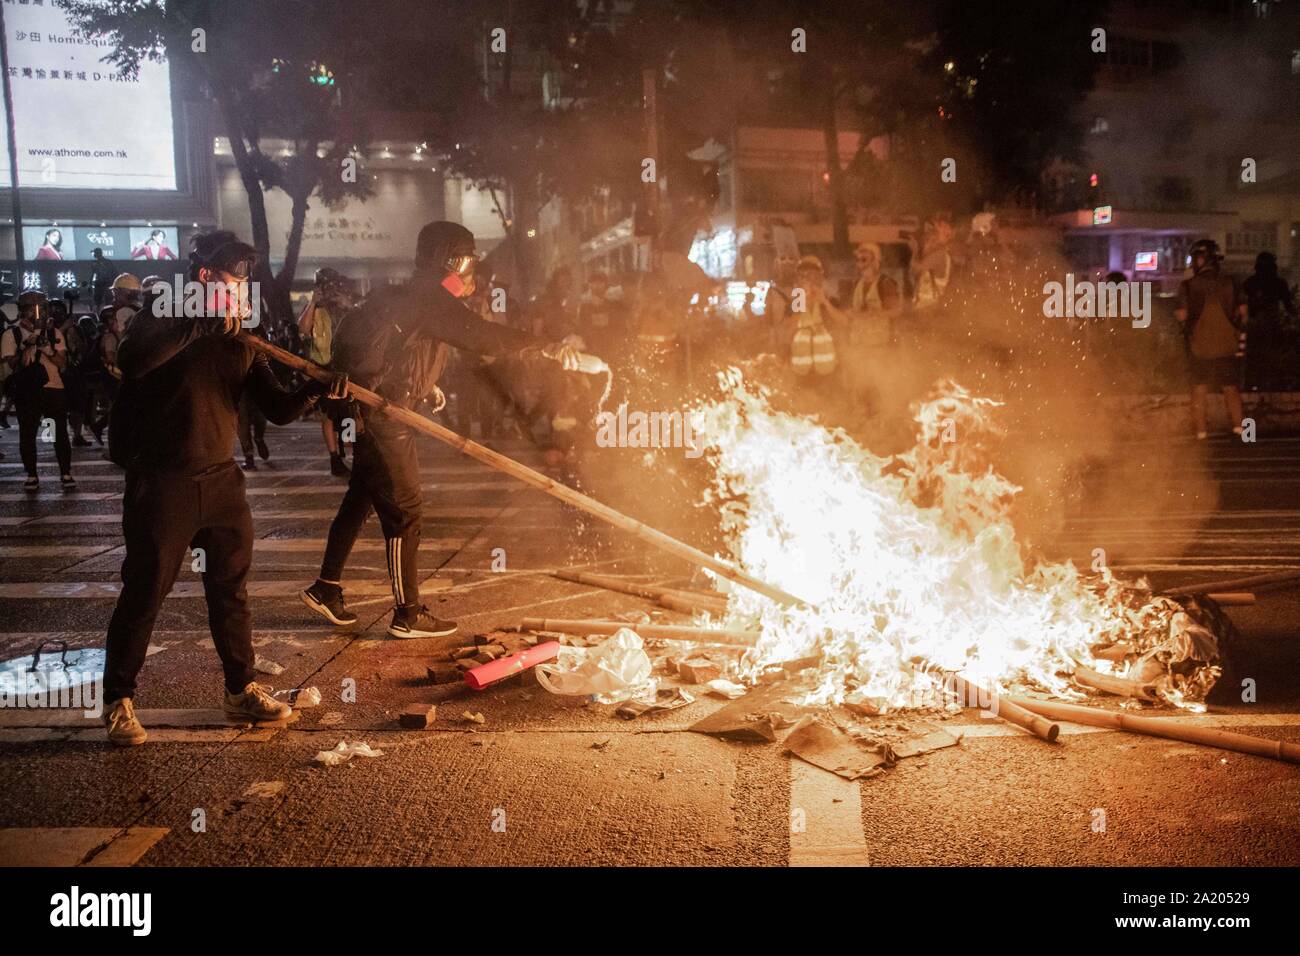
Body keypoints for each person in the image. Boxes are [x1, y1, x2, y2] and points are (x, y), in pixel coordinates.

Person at [100, 232, 347, 746]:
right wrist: (201, 322)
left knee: (230, 591)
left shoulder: (241, 333)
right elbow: (134, 360)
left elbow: (275, 407)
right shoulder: (164, 312)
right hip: (162, 483)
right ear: (206, 278)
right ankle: (119, 700)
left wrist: (316, 387)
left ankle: (241, 689)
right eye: (236, 281)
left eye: (245, 283)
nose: (242, 291)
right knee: (146, 592)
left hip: (220, 482)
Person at [299, 221, 585, 639]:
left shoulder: (410, 294)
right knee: (406, 511)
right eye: (466, 261)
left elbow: (405, 350)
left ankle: (326, 587)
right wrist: (539, 344)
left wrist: (423, 385)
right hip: (385, 417)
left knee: (360, 499)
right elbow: (480, 336)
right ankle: (407, 613)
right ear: (449, 260)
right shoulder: (430, 295)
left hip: (375, 409)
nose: (470, 271)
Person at [0, 291, 75, 490]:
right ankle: (31, 474)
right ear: (22, 311)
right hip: (27, 390)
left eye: (42, 308)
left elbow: (62, 363)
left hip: (53, 387)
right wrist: (28, 344)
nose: (38, 313)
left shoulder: (54, 333)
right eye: (33, 309)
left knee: (59, 431)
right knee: (28, 433)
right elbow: (13, 363)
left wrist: (47, 349)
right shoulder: (12, 334)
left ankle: (65, 472)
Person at [1176, 238, 1246, 440]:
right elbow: (1243, 312)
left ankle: (1200, 432)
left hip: (1199, 347)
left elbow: (1181, 315)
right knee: (1231, 388)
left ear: (1200, 259)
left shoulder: (1188, 286)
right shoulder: (1232, 282)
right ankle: (1242, 431)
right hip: (1227, 346)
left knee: (1199, 389)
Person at [297, 268, 354, 476]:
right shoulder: (315, 309)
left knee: (349, 413)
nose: (329, 291)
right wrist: (313, 302)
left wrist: (347, 305)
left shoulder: (345, 307)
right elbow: (303, 329)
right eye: (325, 286)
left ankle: (350, 449)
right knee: (329, 415)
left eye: (332, 286)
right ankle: (335, 458)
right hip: (323, 369)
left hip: (347, 369)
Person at [1242, 251, 1297, 391]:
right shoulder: (1277, 283)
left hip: (1260, 327)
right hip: (1267, 327)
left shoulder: (1251, 283)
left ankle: (1259, 384)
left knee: (1258, 358)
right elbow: (1289, 307)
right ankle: (1266, 383)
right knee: (1267, 358)